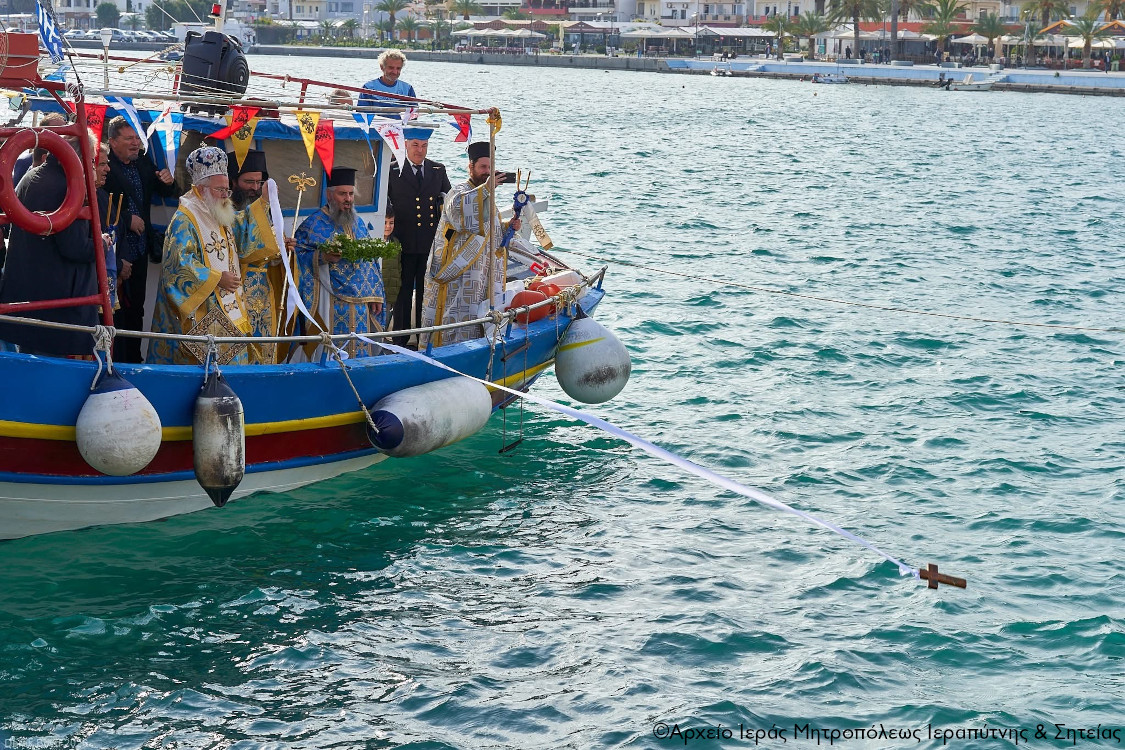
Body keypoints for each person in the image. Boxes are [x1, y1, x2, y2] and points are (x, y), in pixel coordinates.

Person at [148, 147, 251, 366]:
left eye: (227, 189)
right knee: (206, 370)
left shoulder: (218, 211)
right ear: (201, 189)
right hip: (201, 309)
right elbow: (177, 266)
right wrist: (217, 278)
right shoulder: (185, 218)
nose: (225, 195)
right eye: (219, 190)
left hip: (226, 306)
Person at [0, 134, 99, 356]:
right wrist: (102, 244)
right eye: (92, 160)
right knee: (51, 365)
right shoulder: (68, 188)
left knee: (30, 361)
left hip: (27, 296)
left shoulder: (30, 176)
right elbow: (74, 247)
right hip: (57, 304)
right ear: (81, 158)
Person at [418, 141, 521, 349]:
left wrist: (507, 226)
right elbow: (460, 215)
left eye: (490, 168)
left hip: (482, 275)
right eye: (483, 167)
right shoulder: (459, 192)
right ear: (470, 167)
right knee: (454, 320)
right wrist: (486, 189)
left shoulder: (487, 195)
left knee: (478, 318)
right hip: (459, 275)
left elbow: (489, 230)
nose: (487, 172)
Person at [102, 115, 180, 363]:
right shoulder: (104, 167)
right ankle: (114, 359)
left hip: (140, 249)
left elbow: (168, 191)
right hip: (115, 250)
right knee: (115, 308)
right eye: (129, 139)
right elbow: (97, 202)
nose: (135, 143)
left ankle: (135, 360)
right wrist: (127, 219)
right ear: (113, 142)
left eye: (137, 138)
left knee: (137, 306)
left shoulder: (143, 163)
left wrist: (168, 181)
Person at [293, 168, 386, 359]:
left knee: (361, 354)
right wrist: (322, 257)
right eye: (342, 194)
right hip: (330, 302)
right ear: (329, 195)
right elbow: (297, 257)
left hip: (361, 305)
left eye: (351, 194)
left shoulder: (358, 223)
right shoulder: (313, 225)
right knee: (332, 354)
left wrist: (376, 294)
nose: (348, 199)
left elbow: (370, 261)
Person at [228, 148, 297, 364]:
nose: (255, 188)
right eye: (249, 182)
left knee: (264, 347)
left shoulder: (266, 209)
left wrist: (283, 249)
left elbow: (271, 253)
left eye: (259, 182)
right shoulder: (225, 209)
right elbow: (243, 245)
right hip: (235, 289)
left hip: (263, 290)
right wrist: (264, 204)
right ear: (233, 182)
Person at [387, 126, 450, 347]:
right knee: (402, 294)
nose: (419, 150)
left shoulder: (437, 170)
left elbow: (449, 206)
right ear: (405, 145)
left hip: (429, 244)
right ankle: (400, 341)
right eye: (415, 145)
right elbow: (385, 206)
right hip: (402, 243)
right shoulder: (392, 171)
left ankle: (425, 339)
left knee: (427, 293)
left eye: (424, 146)